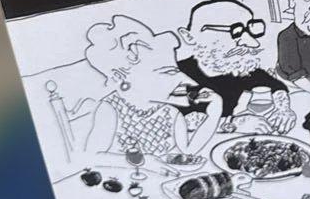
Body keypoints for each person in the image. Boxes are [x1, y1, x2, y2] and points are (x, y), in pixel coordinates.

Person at [83, 15, 222, 157]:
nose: (191, 83)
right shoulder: (111, 109)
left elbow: (189, 151)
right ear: (121, 77)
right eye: (168, 72)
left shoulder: (169, 111)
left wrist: (214, 112)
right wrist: (148, 163)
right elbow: (92, 157)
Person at [177, 0, 296, 135]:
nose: (252, 42)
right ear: (189, 37)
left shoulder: (238, 67)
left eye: (250, 30)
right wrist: (232, 123)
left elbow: (276, 87)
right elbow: (178, 120)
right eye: (235, 32)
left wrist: (283, 109)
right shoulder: (177, 74)